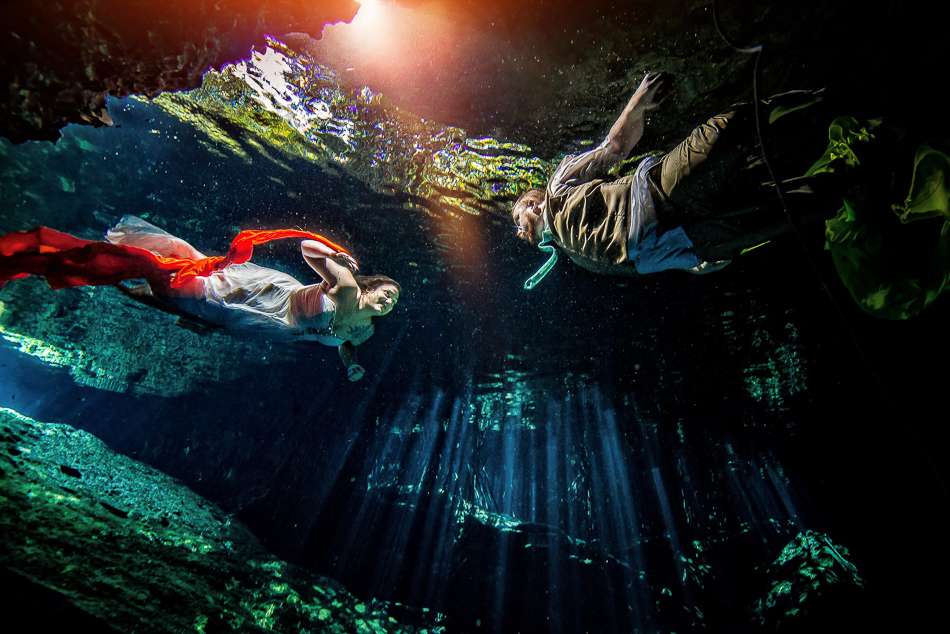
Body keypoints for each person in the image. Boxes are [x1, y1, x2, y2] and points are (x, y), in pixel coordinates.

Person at [512, 72, 839, 285]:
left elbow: (613, 148)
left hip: (666, 191)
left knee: (734, 127)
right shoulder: (576, 254)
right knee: (803, 207)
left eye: (518, 215)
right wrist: (689, 264)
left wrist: (636, 105)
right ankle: (861, 172)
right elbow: (639, 260)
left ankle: (831, 100)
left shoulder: (557, 187)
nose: (517, 229)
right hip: (695, 242)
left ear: (533, 204)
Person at [0, 216, 400, 381]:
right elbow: (306, 250)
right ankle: (55, 255)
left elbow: (342, 342)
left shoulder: (363, 331)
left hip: (264, 328)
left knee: (180, 302)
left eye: (393, 302)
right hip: (260, 299)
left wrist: (351, 365)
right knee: (178, 284)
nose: (388, 301)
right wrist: (333, 255)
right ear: (371, 286)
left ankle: (126, 280)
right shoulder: (346, 287)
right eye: (386, 292)